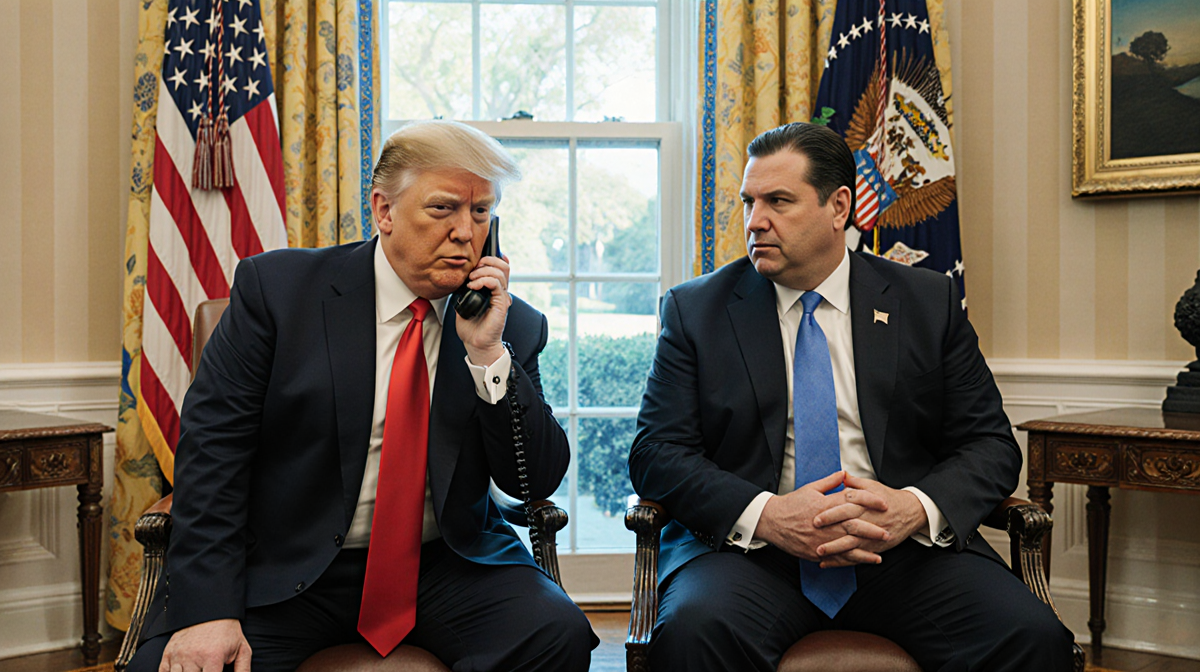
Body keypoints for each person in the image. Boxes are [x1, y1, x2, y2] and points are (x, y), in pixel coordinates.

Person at [129, 120, 596, 672]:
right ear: (384, 210)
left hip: (442, 564)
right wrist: (208, 613)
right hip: (290, 565)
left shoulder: (509, 324)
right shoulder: (279, 294)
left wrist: (488, 357)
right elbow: (213, 457)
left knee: (556, 636)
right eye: (443, 209)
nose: (466, 234)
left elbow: (532, 480)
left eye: (480, 213)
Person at [627, 122, 1074, 671]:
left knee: (1031, 635)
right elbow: (656, 454)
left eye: (778, 201)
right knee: (695, 632)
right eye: (749, 202)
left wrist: (915, 508)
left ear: (839, 207)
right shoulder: (696, 310)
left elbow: (990, 446)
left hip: (902, 553)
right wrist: (768, 515)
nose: (754, 221)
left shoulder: (926, 301)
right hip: (753, 558)